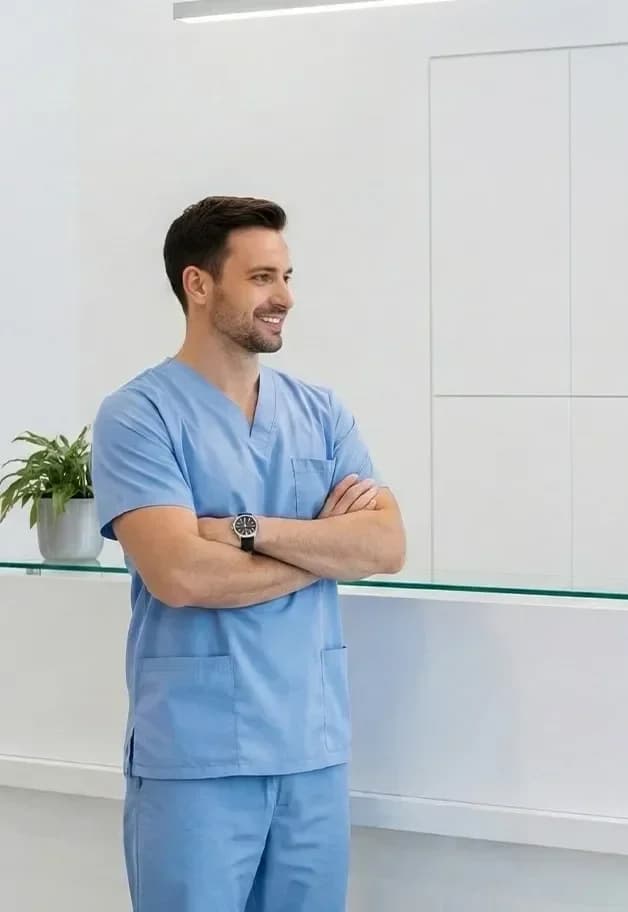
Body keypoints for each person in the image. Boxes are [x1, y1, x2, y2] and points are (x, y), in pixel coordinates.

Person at [90, 196, 406, 912]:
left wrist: (238, 530)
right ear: (198, 285)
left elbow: (385, 545)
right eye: (263, 277)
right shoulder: (138, 416)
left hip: (312, 751)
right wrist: (325, 548)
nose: (285, 297)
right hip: (198, 760)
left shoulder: (321, 412)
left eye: (288, 276)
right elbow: (179, 573)